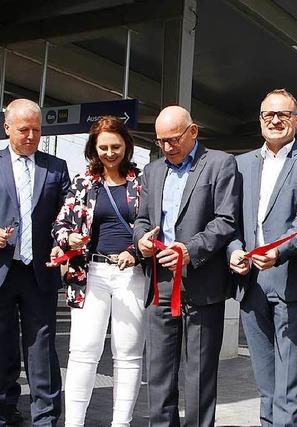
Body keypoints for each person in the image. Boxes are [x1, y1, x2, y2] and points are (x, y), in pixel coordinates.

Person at [228, 88, 297, 426]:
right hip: (250, 284)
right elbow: (230, 221)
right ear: (259, 121)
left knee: (290, 384)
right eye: (268, 115)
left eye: (283, 115)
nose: (274, 120)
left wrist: (278, 251)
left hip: (292, 283)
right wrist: (234, 251)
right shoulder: (240, 165)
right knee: (266, 383)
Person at [133, 105, 240, 426]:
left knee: (199, 374)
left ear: (193, 131)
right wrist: (141, 241)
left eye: (174, 139)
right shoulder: (152, 171)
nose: (167, 147)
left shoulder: (221, 164)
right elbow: (140, 219)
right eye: (161, 141)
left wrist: (191, 249)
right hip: (160, 283)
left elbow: (226, 220)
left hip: (201, 281)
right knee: (159, 373)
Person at [51, 116, 145, 426]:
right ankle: (74, 423)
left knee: (128, 354)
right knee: (82, 352)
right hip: (89, 271)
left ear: (127, 146)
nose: (109, 152)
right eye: (102, 147)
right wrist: (69, 238)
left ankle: (122, 423)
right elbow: (60, 224)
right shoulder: (83, 182)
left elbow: (154, 229)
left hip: (131, 273)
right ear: (93, 148)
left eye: (115, 146)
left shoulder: (142, 183)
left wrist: (135, 252)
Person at [0, 98, 71, 425]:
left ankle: (46, 417)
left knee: (41, 348)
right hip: (2, 270)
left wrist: (65, 241)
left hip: (39, 273)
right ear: (7, 128)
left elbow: (67, 215)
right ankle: (4, 409)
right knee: (2, 346)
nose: (31, 136)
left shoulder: (56, 168)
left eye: (37, 130)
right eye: (23, 129)